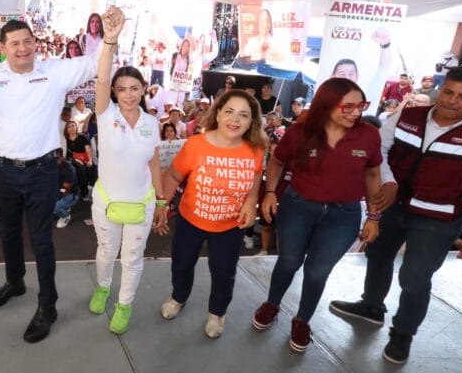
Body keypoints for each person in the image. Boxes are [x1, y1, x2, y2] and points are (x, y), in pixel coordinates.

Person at [0, 10, 118, 343]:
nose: (23, 48)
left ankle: (48, 306)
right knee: (7, 232)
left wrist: (110, 39)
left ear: (36, 43)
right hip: (1, 170)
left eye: (28, 41)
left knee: (42, 240)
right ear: (2, 47)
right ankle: (15, 281)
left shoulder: (54, 72)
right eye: (15, 43)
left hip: (42, 171)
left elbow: (97, 65)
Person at [328, 65, 462, 364]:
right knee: (377, 256)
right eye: (448, 91)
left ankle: (403, 333)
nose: (452, 101)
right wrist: (388, 182)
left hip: (439, 218)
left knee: (415, 277)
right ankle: (371, 306)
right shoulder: (408, 116)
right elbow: (381, 149)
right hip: (394, 206)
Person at [251, 78, 382, 353]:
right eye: (348, 107)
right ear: (327, 104)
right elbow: (277, 160)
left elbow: (372, 173)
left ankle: (302, 320)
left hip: (343, 214)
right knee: (288, 261)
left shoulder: (369, 135)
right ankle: (272, 303)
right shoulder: (300, 131)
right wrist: (271, 191)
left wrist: (373, 215)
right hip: (298, 207)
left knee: (318, 271)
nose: (356, 112)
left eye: (361, 105)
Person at [156, 89, 266, 339]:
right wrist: (162, 204)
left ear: (252, 121)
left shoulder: (256, 150)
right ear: (217, 114)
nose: (235, 119)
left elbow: (257, 174)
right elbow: (173, 175)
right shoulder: (195, 145)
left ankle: (217, 313)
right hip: (190, 221)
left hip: (230, 226)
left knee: (224, 272)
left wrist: (251, 201)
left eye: (243, 115)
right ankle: (178, 297)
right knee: (182, 264)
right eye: (229, 111)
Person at [87, 27, 163, 334]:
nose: (128, 95)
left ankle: (124, 304)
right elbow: (102, 78)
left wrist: (161, 201)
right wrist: (110, 41)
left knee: (132, 258)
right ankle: (103, 288)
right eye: (122, 89)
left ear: (144, 89)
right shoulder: (105, 115)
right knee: (106, 252)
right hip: (107, 201)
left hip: (141, 204)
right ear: (114, 92)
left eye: (134, 88)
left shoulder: (151, 122)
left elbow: (155, 163)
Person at [54, 151, 78, 228]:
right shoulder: (51, 166)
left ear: (62, 157)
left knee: (53, 206)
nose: (53, 161)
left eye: (56, 158)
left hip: (70, 193)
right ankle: (64, 207)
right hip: (57, 190)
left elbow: (65, 190)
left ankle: (66, 216)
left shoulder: (69, 169)